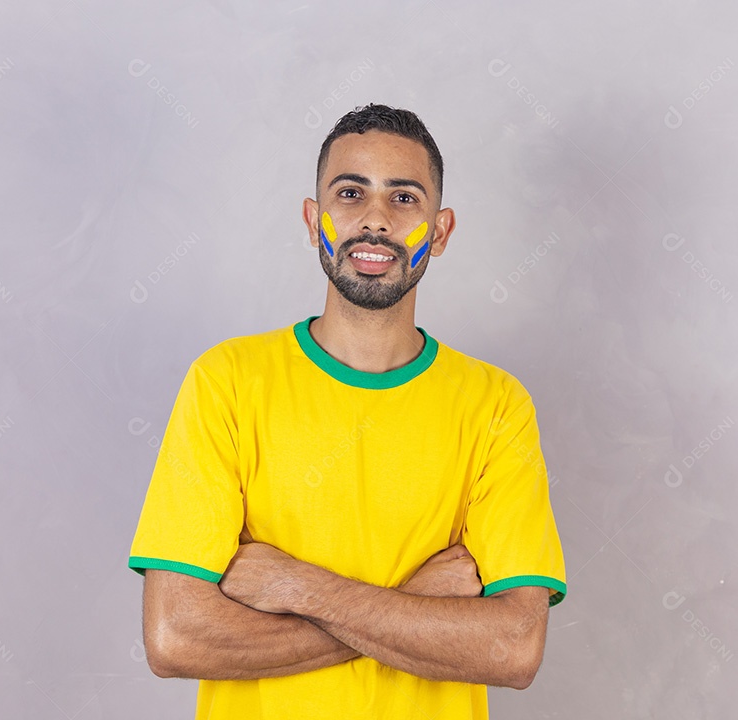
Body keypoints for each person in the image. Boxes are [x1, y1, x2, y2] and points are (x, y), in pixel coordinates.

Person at [127, 103, 567, 719]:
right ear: (315, 220)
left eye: (405, 198)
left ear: (439, 233)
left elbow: (513, 647)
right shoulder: (225, 381)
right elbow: (177, 637)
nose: (375, 221)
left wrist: (298, 589)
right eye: (351, 192)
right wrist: (414, 605)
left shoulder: (496, 404)